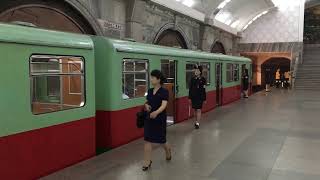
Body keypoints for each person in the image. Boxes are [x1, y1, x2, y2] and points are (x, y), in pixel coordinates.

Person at [143, 69, 171, 171]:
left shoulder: (164, 91)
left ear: (158, 79)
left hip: (159, 119)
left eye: (152, 77)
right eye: (150, 77)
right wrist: (146, 105)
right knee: (147, 140)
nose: (151, 79)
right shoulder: (150, 91)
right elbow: (147, 102)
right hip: (149, 118)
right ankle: (147, 162)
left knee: (162, 140)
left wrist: (156, 112)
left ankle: (168, 151)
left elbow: (164, 105)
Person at [188, 65, 206, 129]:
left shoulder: (203, 79)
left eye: (197, 70)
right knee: (195, 110)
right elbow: (190, 89)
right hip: (193, 97)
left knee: (199, 110)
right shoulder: (192, 79)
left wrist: (204, 99)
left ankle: (197, 123)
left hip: (200, 97)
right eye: (195, 70)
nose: (196, 71)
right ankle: (196, 121)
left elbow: (204, 89)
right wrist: (189, 98)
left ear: (200, 72)